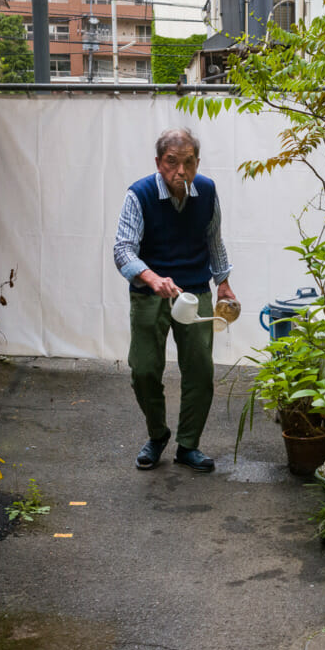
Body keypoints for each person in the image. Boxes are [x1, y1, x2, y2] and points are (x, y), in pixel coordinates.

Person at [113, 127, 236, 472]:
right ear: (158, 162)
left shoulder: (208, 192)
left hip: (195, 289)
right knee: (144, 369)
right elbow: (122, 250)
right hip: (150, 292)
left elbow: (214, 241)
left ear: (197, 162)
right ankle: (157, 434)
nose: (180, 172)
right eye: (171, 162)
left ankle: (188, 445)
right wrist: (152, 278)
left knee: (199, 370)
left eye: (188, 163)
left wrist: (223, 284)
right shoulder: (139, 194)